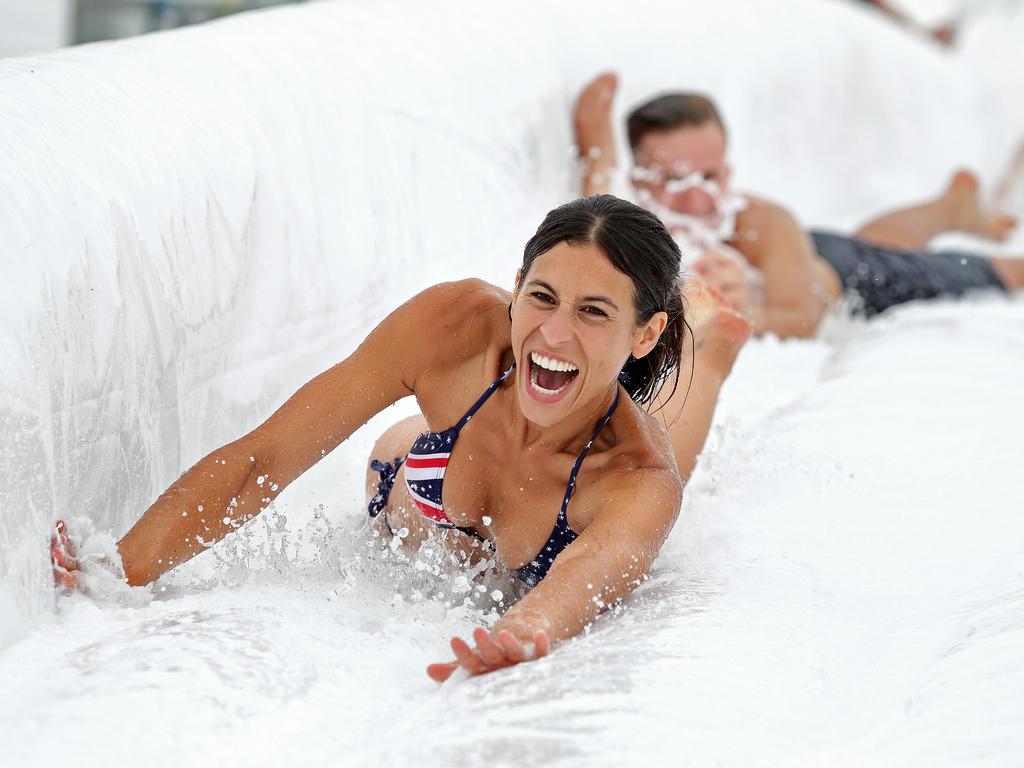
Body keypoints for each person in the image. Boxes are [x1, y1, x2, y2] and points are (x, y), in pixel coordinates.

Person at [50, 195, 750, 681]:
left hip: (596, 473)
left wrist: (516, 636)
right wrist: (123, 567)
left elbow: (572, 590)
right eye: (541, 297)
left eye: (594, 312)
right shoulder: (453, 329)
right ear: (516, 285)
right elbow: (265, 457)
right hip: (416, 472)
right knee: (426, 435)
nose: (555, 333)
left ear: (644, 333)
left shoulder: (635, 479)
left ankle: (708, 350)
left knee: (667, 466)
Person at [574, 74, 1024, 339]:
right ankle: (950, 209)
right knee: (875, 242)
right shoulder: (637, 214)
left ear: (728, 172)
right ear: (639, 180)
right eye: (673, 180)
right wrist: (599, 151)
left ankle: (994, 247)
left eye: (710, 177)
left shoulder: (762, 221)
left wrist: (738, 312)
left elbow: (803, 319)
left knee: (961, 271)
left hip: (848, 278)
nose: (696, 198)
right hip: (817, 254)